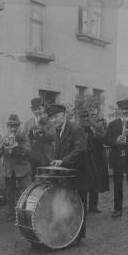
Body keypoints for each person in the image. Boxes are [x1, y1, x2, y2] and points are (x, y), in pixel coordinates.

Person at [47, 104, 87, 246]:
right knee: (66, 204)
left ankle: (78, 236)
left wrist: (62, 161)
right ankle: (67, 234)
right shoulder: (58, 131)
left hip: (79, 172)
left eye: (56, 116)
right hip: (66, 173)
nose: (53, 120)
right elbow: (58, 151)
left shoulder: (76, 129)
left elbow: (80, 150)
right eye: (51, 118)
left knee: (78, 204)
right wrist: (54, 162)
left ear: (64, 115)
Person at [0, 114, 32, 222]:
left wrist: (19, 146)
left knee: (27, 191)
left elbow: (29, 152)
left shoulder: (24, 137)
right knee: (9, 193)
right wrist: (2, 147)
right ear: (8, 126)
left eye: (15, 126)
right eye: (11, 126)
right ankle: (11, 214)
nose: (13, 129)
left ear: (18, 126)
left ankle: (27, 214)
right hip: (9, 169)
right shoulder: (5, 137)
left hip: (22, 169)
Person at [77, 108, 110, 214]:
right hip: (82, 161)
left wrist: (96, 132)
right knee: (83, 185)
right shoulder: (77, 130)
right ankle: (82, 207)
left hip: (95, 160)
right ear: (79, 118)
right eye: (83, 117)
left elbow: (104, 139)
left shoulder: (93, 129)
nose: (86, 118)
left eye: (87, 116)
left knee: (94, 183)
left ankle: (93, 206)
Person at [22, 98, 55, 181]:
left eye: (39, 109)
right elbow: (24, 139)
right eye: (35, 109)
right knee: (33, 179)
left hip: (45, 155)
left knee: (45, 179)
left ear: (43, 108)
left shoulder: (50, 121)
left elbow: (53, 137)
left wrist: (43, 130)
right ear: (32, 110)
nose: (37, 111)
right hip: (32, 155)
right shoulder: (28, 123)